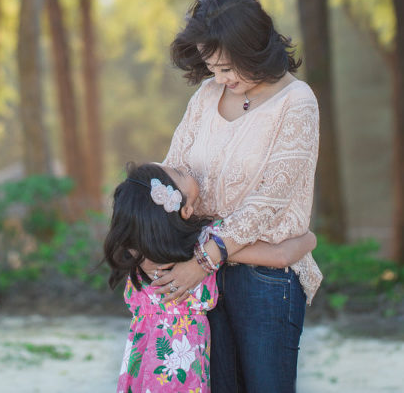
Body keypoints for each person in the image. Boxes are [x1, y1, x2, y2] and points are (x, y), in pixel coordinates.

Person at [152, 0, 323, 393]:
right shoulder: (207, 95)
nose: (221, 79)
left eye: (228, 67)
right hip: (207, 279)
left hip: (265, 281)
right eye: (213, 67)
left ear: (255, 49)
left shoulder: (296, 103)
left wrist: (203, 260)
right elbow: (173, 171)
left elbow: (266, 204)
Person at [104, 162, 317, 393]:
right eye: (178, 173)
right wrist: (311, 239)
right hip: (181, 377)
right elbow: (282, 256)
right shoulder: (202, 247)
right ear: (185, 210)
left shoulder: (137, 258)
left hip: (141, 374)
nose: (182, 166)